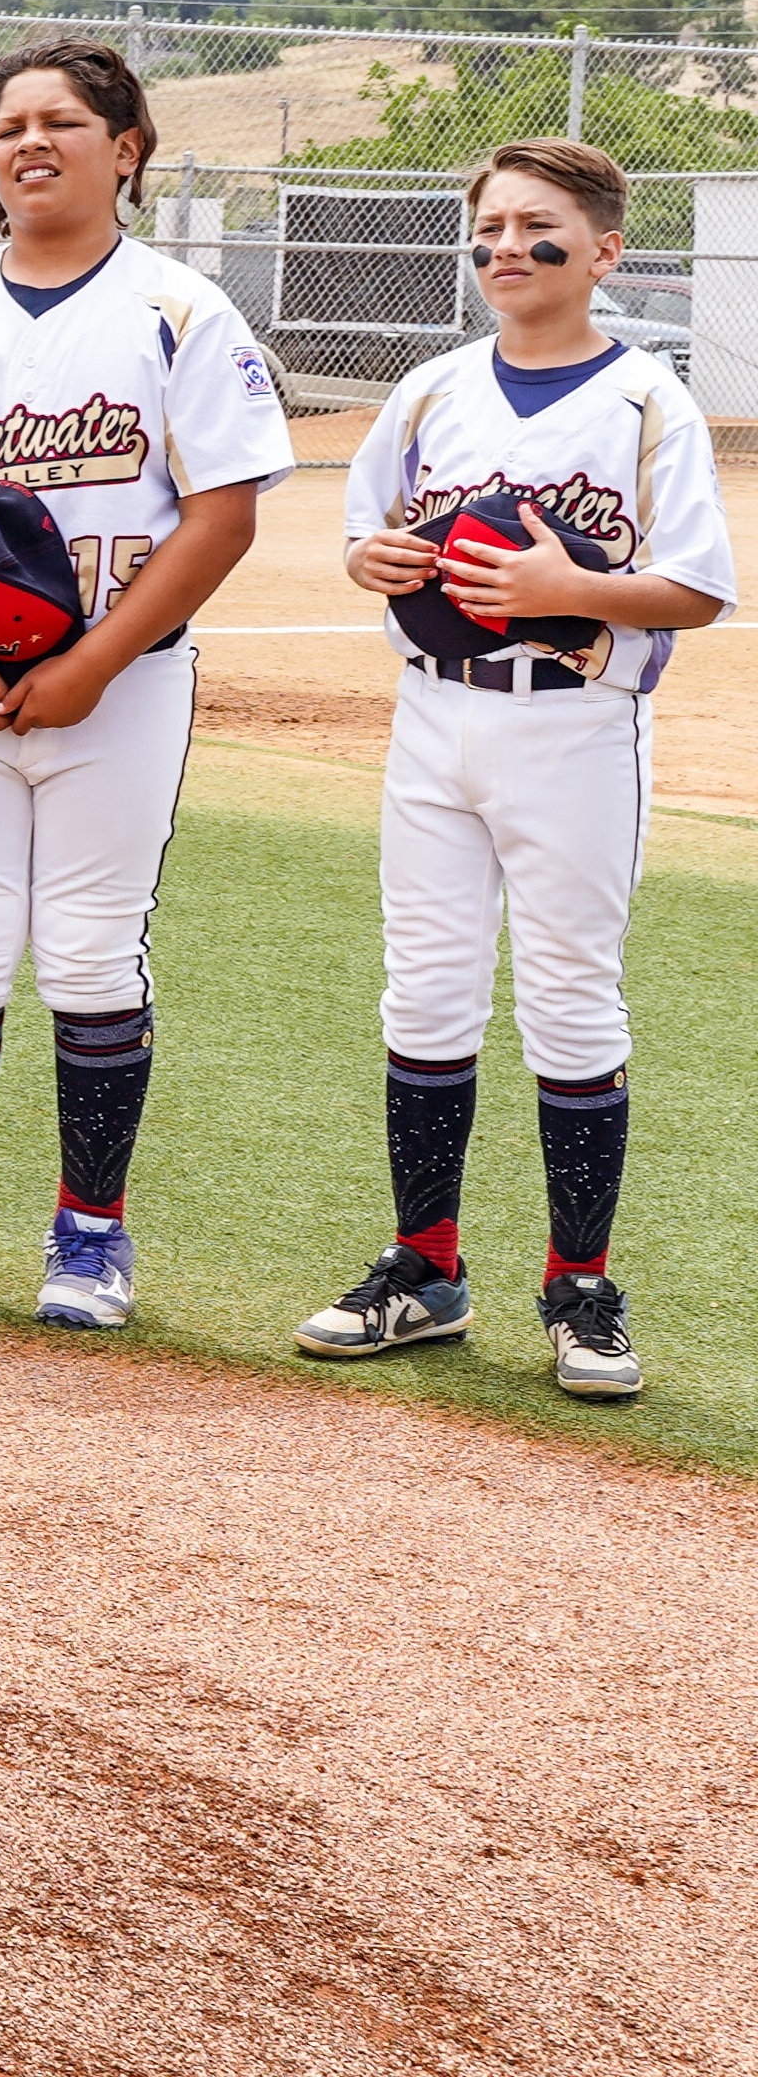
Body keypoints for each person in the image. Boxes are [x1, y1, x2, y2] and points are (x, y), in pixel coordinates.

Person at [0, 39, 290, 1332]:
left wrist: (92, 659)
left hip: (120, 686)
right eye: (9, 123)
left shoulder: (180, 312)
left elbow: (223, 511)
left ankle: (91, 1233)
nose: (30, 142)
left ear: (125, 149)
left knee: (89, 947)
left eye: (63, 122)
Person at [301, 138, 725, 1401]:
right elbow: (367, 534)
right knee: (424, 997)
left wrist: (570, 587)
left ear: (604, 252)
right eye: (488, 227)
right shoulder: (431, 388)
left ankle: (579, 1287)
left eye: (538, 229)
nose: (506, 249)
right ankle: (425, 1269)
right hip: (434, 719)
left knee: (571, 1004)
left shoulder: (648, 399)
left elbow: (699, 586)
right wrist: (369, 563)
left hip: (576, 724)